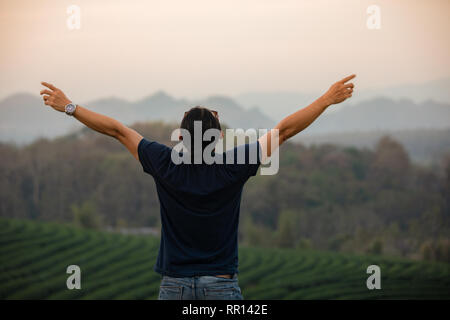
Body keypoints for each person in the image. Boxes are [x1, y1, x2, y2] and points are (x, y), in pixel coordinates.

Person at [39, 74, 355, 300]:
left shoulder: (163, 162)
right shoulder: (235, 164)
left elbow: (117, 131)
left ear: (181, 135)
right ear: (216, 138)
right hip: (220, 285)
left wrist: (69, 106)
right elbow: (284, 130)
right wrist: (327, 99)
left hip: (173, 287)